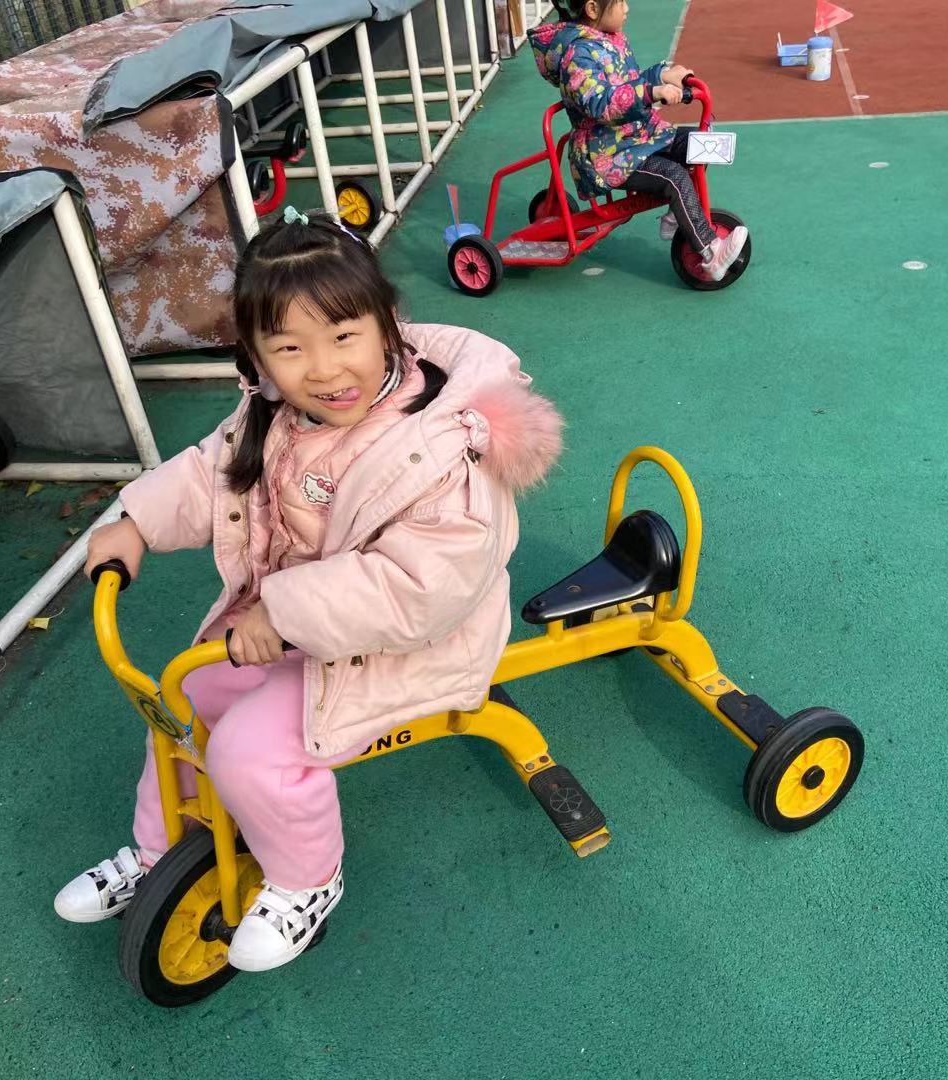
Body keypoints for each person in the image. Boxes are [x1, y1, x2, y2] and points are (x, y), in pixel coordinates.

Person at [53, 209, 563, 972]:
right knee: (183, 701)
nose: (324, 371)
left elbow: (420, 587)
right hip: (295, 628)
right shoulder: (278, 412)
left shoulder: (442, 446)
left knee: (251, 754)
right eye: (290, 349)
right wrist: (137, 522)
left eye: (344, 337)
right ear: (256, 356)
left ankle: (307, 880)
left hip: (402, 645)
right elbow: (212, 472)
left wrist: (283, 611)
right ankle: (158, 851)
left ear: (388, 325)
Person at [529, 0, 748, 282]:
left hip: (636, 137)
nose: (627, 8)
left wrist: (662, 75)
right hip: (607, 156)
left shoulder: (610, 39)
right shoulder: (578, 56)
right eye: (620, 2)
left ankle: (677, 214)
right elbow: (601, 103)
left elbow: (629, 82)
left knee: (701, 143)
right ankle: (710, 252)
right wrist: (651, 92)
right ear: (592, 9)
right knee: (674, 176)